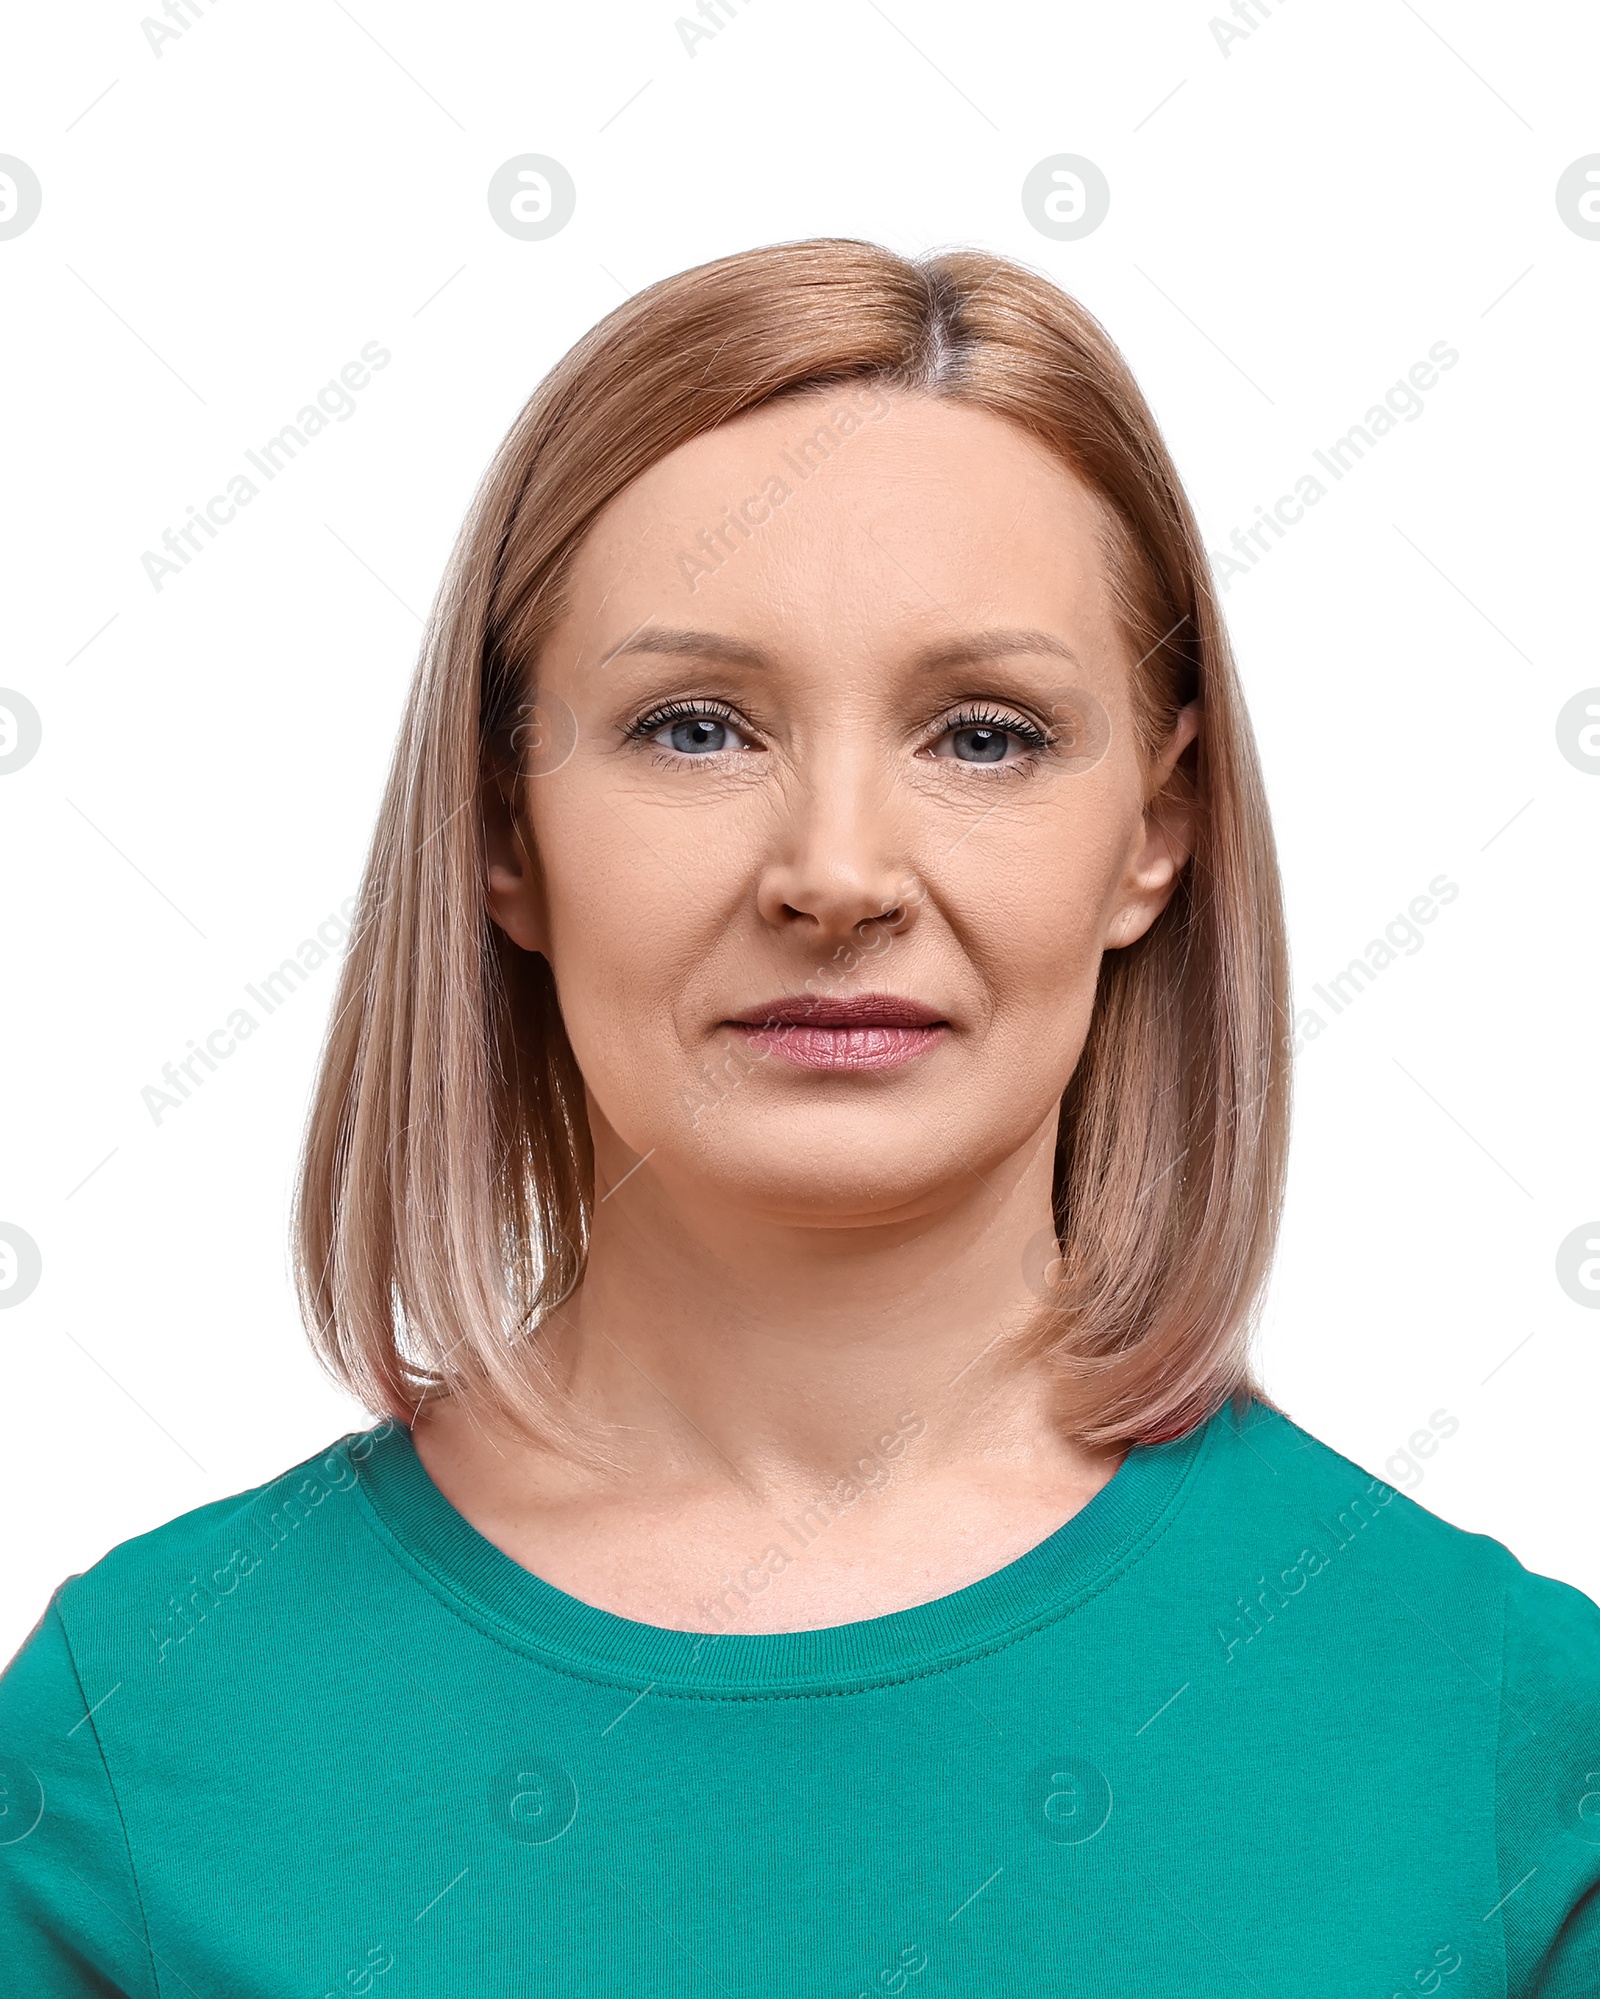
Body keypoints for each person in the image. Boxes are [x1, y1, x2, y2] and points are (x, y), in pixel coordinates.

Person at [3, 239, 1596, 1994]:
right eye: (695, 728)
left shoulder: (1495, 1733)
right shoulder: (145, 1726)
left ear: (1157, 829)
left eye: (984, 736)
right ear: (505, 832)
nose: (837, 875)